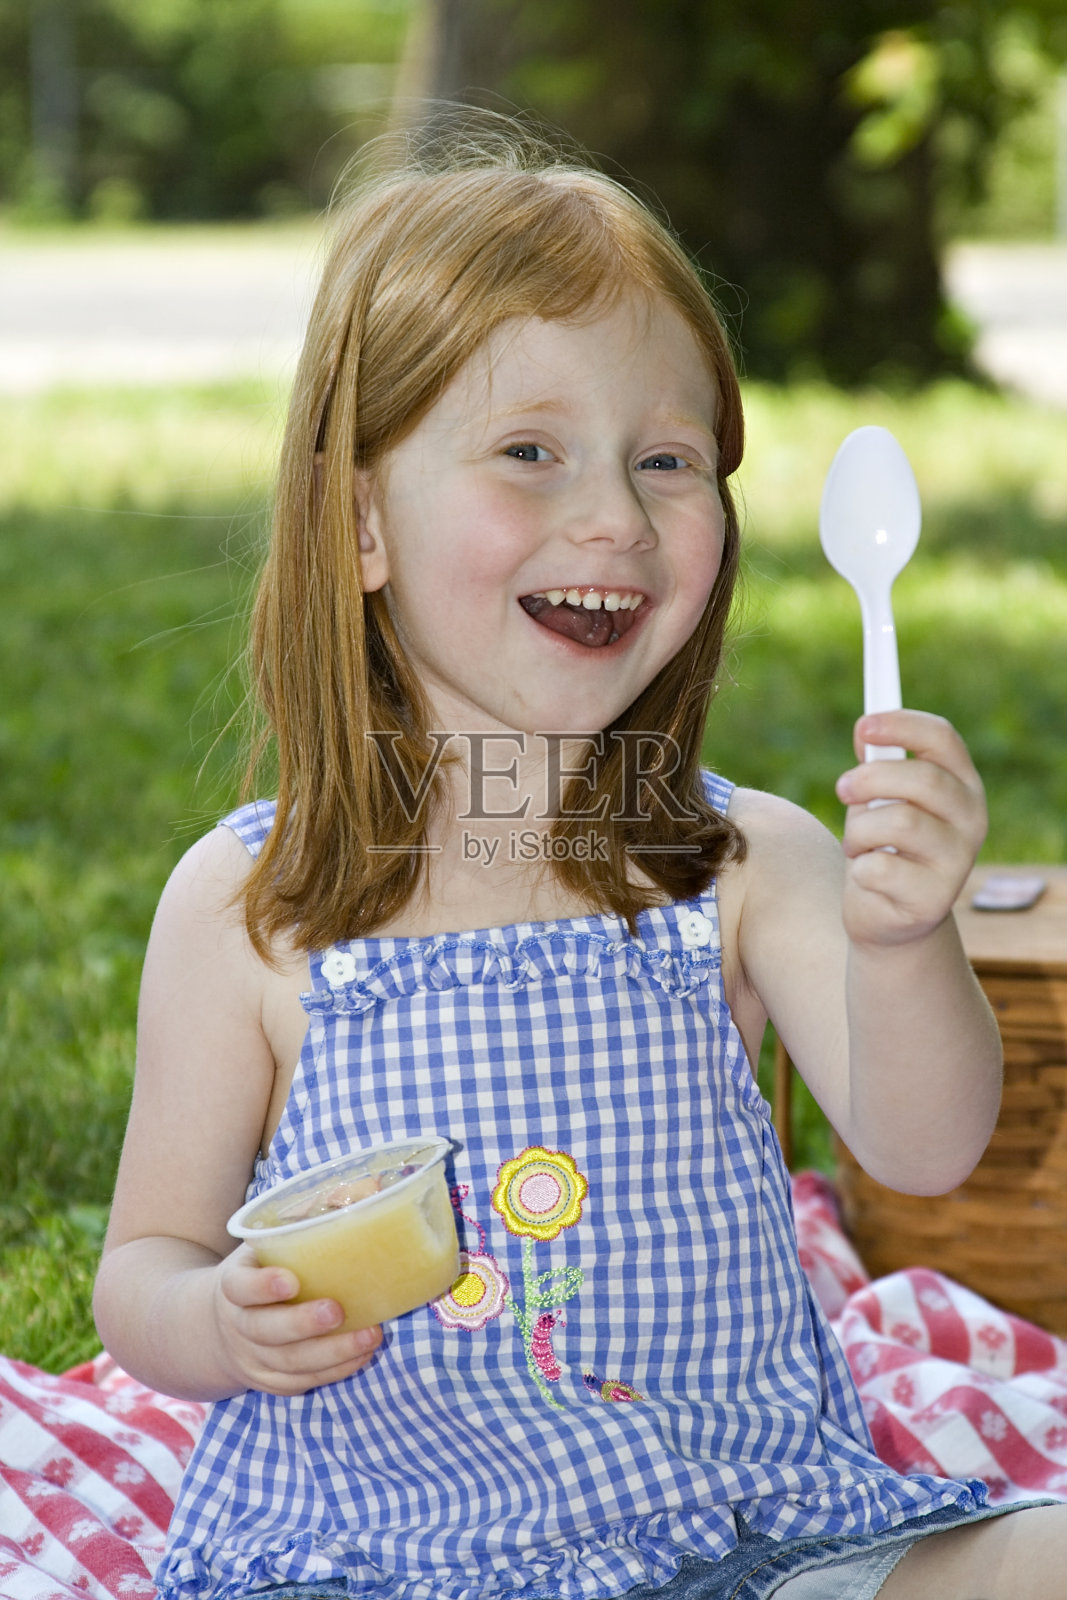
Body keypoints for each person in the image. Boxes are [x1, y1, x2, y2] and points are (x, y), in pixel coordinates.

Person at [93, 115, 1067, 1600]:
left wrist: (904, 939)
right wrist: (219, 1323)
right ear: (360, 519)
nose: (613, 514)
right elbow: (142, 1265)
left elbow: (924, 1149)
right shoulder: (253, 909)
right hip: (383, 1559)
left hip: (746, 1534)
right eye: (529, 453)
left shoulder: (742, 864)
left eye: (668, 459)